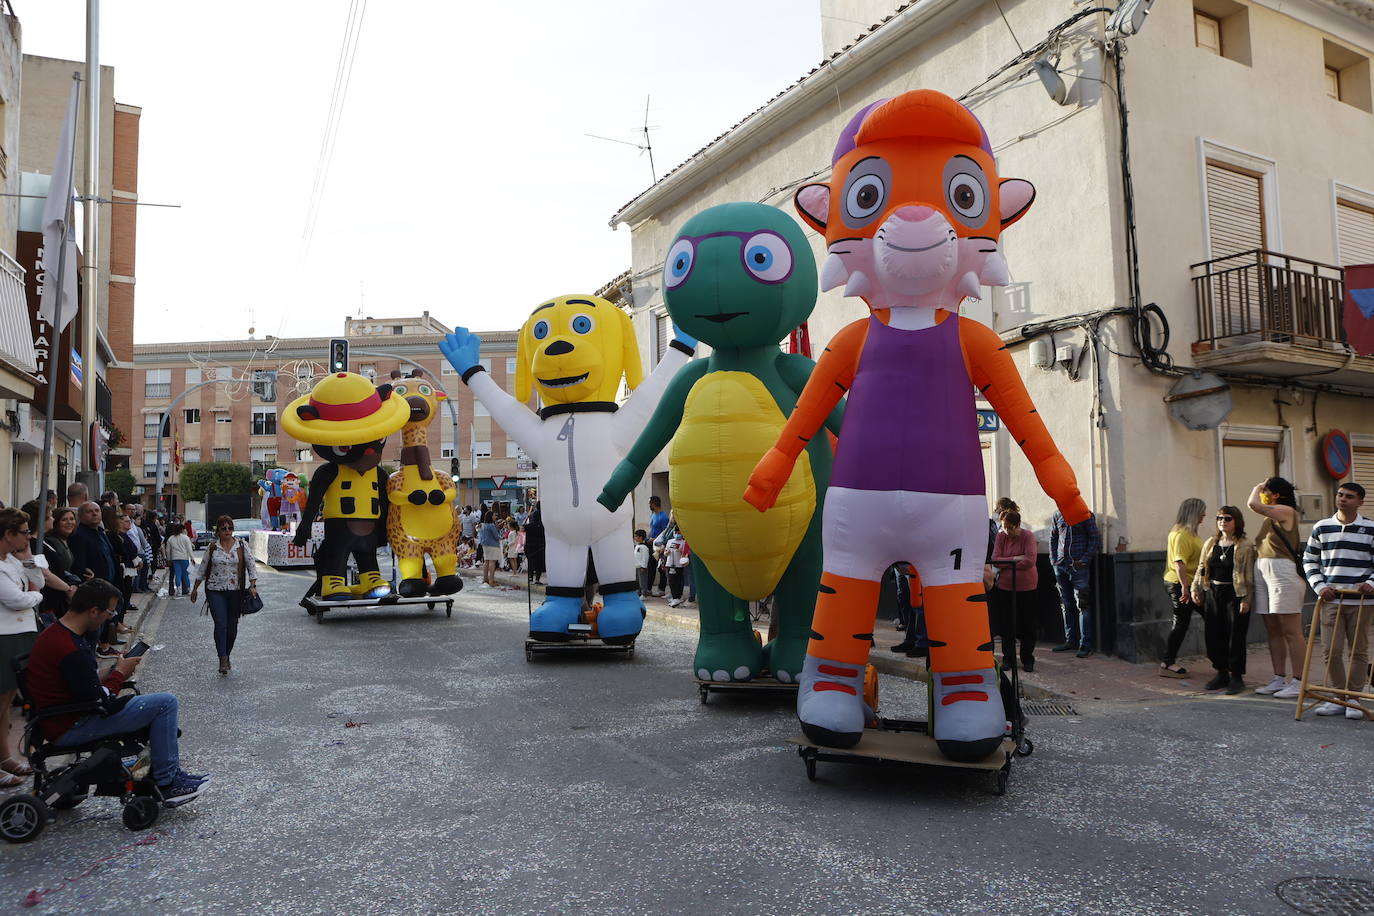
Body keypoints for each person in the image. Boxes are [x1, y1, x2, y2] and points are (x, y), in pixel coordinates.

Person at [26, 578, 208, 803]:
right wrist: (120, 674)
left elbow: (82, 683)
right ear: (94, 611)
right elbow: (101, 700)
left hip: (63, 716)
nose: (109, 618)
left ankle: (158, 773)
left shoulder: (58, 634)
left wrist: (113, 670)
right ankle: (167, 782)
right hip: (72, 725)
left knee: (152, 705)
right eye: (109, 613)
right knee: (165, 703)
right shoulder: (70, 648)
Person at [1302, 481, 1374, 719]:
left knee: (1358, 651)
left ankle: (1354, 697)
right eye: (1340, 495)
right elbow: (1309, 560)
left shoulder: (1371, 528)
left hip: (1360, 600)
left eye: (1349, 496)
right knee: (1330, 650)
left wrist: (1371, 584)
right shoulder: (1322, 527)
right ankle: (1337, 697)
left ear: (1360, 502)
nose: (1343, 499)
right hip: (1331, 599)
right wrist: (1319, 586)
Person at [1246, 477, 1309, 699]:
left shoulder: (1286, 510)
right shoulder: (1270, 516)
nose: (1263, 493)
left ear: (1276, 494)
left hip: (1281, 571)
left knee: (1291, 630)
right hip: (1263, 567)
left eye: (1266, 490)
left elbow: (1253, 505)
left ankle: (1299, 680)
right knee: (1273, 628)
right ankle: (1278, 677)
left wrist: (1256, 487)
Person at [1190, 505, 1255, 694]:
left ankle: (1236, 676)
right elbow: (1202, 566)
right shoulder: (1211, 542)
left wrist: (1246, 599)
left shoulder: (1245, 545)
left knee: (1235, 636)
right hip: (1213, 592)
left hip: (1235, 594)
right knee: (1214, 634)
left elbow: (1249, 575)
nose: (1222, 522)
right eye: (1219, 518)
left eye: (1227, 518)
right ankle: (1221, 672)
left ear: (1236, 522)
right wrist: (1196, 588)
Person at [0, 507, 42, 787]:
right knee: (0, 704)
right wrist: (34, 595)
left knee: (5, 705)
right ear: (8, 534)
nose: (29, 537)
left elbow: (37, 581)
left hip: (20, 636)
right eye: (24, 532)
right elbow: (16, 599)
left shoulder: (11, 561)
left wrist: (29, 561)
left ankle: (4, 758)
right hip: (5, 637)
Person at [190, 515, 258, 676]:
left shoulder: (241, 545)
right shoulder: (213, 547)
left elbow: (251, 565)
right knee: (221, 624)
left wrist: (253, 585)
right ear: (218, 531)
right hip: (214, 590)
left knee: (232, 626)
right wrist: (195, 589)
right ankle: (222, 658)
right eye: (224, 528)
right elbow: (203, 569)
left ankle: (227, 654)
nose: (227, 531)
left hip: (236, 591)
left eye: (230, 528)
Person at [1159, 498, 1207, 677]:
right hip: (1180, 584)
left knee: (1187, 621)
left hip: (1188, 584)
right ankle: (1167, 663)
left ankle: (1168, 661)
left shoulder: (1188, 532)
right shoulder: (1182, 534)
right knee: (1181, 623)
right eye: (1202, 511)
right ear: (1193, 513)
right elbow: (1179, 563)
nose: (1204, 515)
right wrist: (1186, 589)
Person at [68, 501, 122, 656]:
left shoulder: (100, 533)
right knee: (93, 630)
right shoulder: (79, 536)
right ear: (80, 516)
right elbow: (80, 566)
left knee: (104, 623)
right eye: (89, 511)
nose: (94, 514)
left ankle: (103, 647)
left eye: (97, 511)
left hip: (109, 586)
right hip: (95, 590)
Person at [990, 510, 1039, 673]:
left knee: (1028, 625)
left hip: (1027, 588)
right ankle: (1008, 659)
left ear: (1018, 526)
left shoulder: (1028, 536)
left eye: (1010, 528)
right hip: (1005, 587)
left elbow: (1030, 561)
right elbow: (995, 559)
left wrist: (1008, 563)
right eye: (1004, 528)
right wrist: (1015, 559)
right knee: (1007, 625)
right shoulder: (1001, 536)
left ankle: (1027, 659)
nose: (1007, 531)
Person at [1050, 508, 1100, 658]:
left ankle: (1085, 644)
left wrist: (1084, 560)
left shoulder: (1085, 514)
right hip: (1061, 566)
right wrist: (1054, 560)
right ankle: (1070, 640)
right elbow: (1053, 537)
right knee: (1066, 604)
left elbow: (1094, 539)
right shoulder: (1058, 514)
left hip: (1079, 567)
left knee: (1082, 605)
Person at [41, 507, 81, 621]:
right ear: (56, 522)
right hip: (57, 595)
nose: (69, 522)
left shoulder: (66, 540)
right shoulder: (51, 542)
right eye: (64, 520)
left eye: (72, 519)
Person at [163, 522, 194, 598]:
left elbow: (168, 550)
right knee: (185, 575)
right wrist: (192, 558)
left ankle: (178, 591)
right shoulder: (185, 538)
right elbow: (189, 549)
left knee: (178, 574)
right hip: (184, 558)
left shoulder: (171, 538)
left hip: (175, 559)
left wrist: (169, 559)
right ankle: (189, 590)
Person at [647, 496, 670, 597]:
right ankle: (648, 589)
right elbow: (652, 528)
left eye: (650, 503)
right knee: (650, 567)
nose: (649, 505)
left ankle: (661, 589)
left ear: (654, 504)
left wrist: (655, 539)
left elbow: (665, 532)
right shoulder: (653, 515)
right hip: (651, 544)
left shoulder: (663, 517)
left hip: (659, 546)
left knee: (661, 568)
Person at [524, 501, 546, 586]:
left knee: (530, 562)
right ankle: (537, 578)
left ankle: (530, 577)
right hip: (540, 547)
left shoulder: (528, 527)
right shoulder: (543, 526)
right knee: (538, 564)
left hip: (530, 546)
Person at [478, 510, 501, 587]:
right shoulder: (491, 525)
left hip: (485, 545)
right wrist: (502, 537)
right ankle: (491, 580)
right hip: (493, 545)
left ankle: (485, 579)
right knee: (492, 562)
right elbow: (496, 536)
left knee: (486, 561)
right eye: (494, 515)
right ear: (491, 517)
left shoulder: (483, 525)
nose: (495, 517)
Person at [633, 529, 653, 597]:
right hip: (637, 566)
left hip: (642, 567)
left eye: (636, 536)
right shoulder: (637, 546)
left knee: (643, 581)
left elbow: (645, 557)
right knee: (637, 581)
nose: (634, 538)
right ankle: (638, 592)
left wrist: (644, 566)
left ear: (641, 537)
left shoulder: (644, 547)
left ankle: (644, 594)